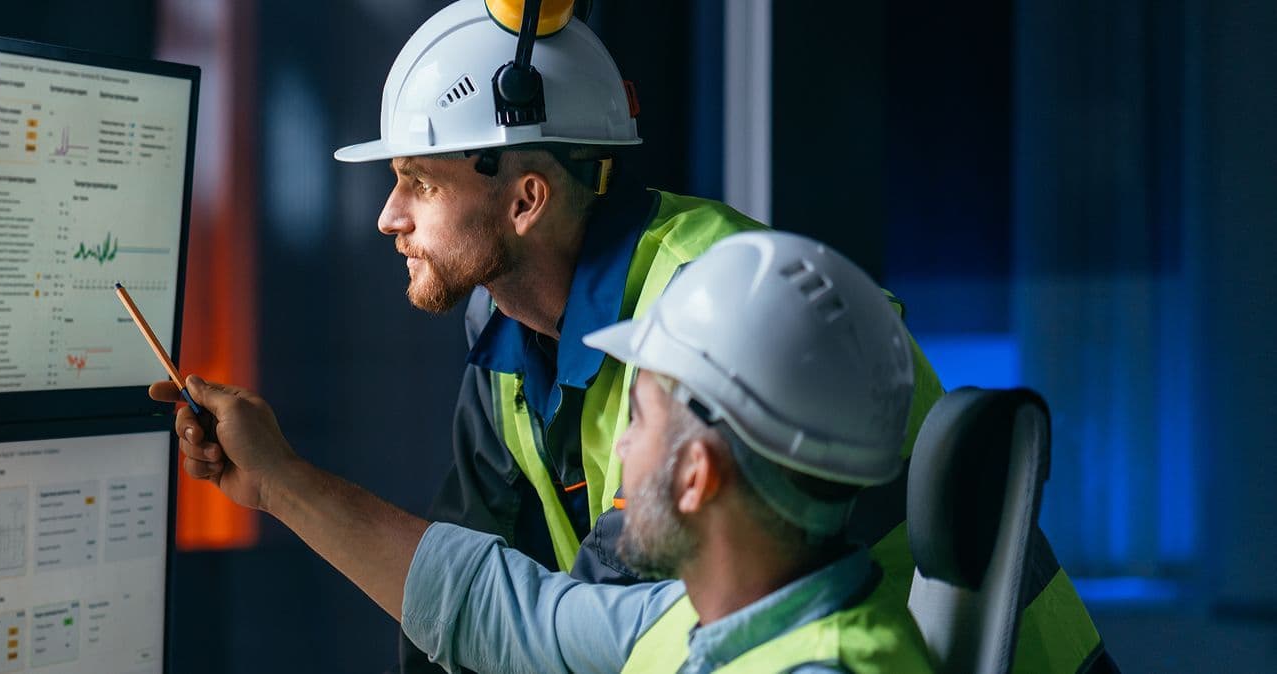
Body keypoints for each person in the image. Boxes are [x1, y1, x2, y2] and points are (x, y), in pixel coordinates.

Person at [335, 1, 1109, 671]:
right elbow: (455, 582)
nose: (389, 216)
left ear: (526, 199)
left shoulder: (712, 308)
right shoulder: (504, 333)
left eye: (421, 182)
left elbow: (593, 624)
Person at [155, 232, 937, 671]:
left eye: (638, 416)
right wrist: (279, 481)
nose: (620, 445)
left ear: (698, 475)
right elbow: (494, 608)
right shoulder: (708, 617)